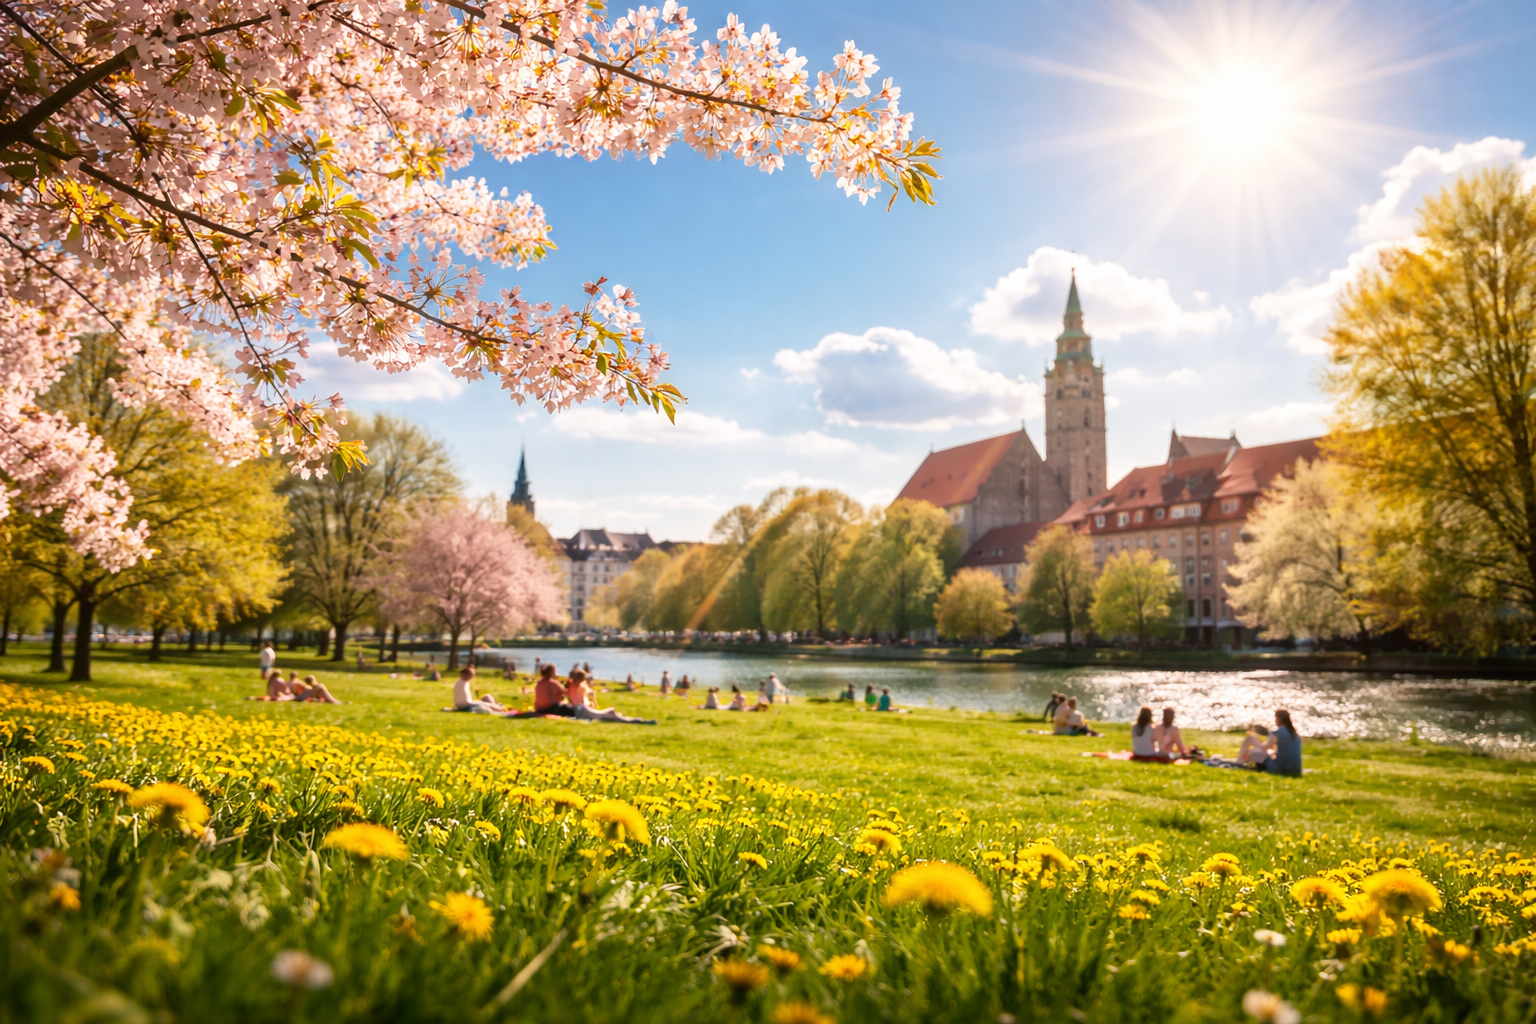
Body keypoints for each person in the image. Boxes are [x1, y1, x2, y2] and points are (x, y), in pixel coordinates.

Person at [568, 670, 656, 724]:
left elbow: (575, 701)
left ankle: (634, 721)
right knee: (610, 714)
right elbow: (586, 702)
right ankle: (634, 721)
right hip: (582, 710)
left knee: (610, 714)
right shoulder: (580, 687)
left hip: (582, 709)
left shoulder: (576, 687)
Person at [1264, 709, 1303, 776]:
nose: (1275, 720)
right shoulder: (1295, 734)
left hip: (1283, 769)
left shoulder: (1276, 733)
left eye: (1276, 718)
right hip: (1297, 769)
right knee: (1271, 752)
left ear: (1279, 719)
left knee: (1262, 754)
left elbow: (1264, 748)